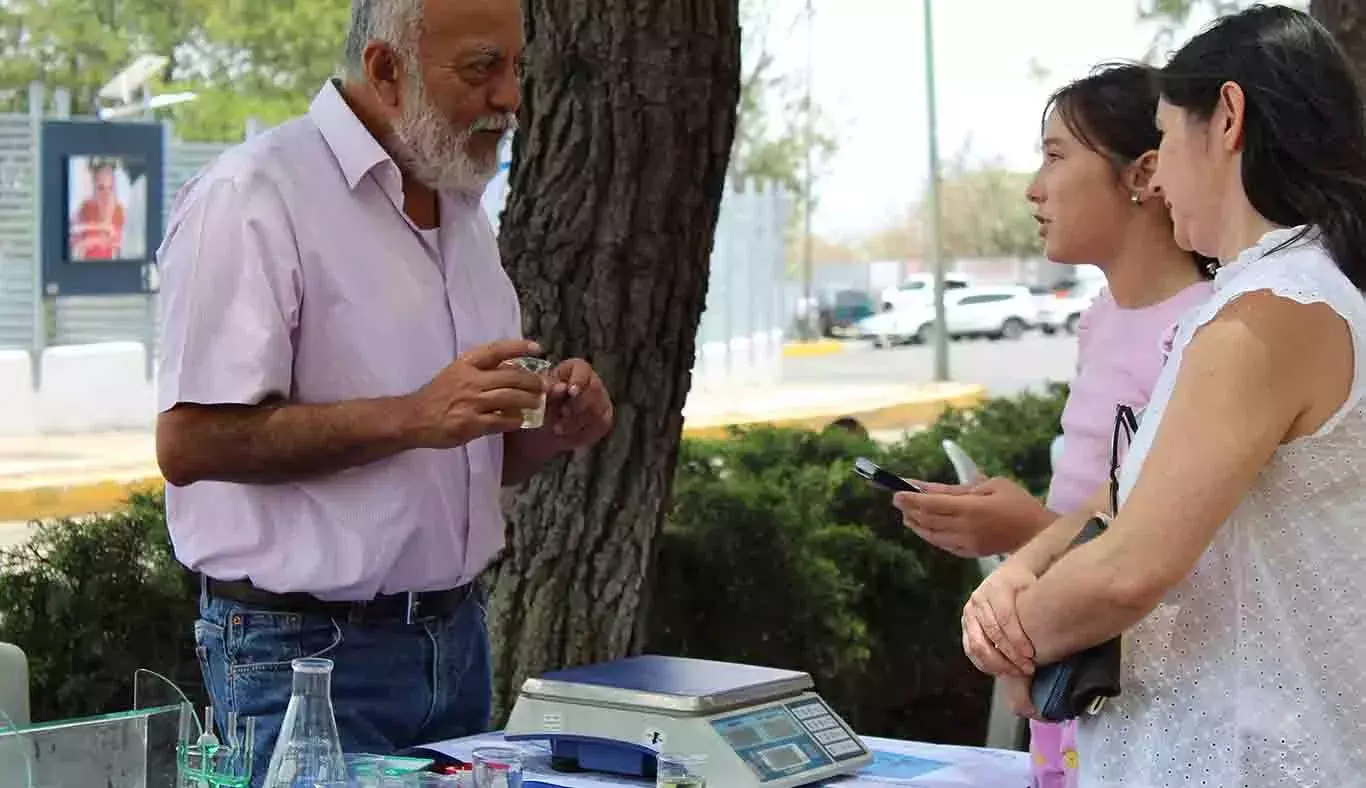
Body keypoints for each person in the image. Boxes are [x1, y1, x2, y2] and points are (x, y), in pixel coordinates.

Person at [155, 0, 613, 780]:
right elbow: (191, 442)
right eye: (482, 69)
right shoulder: (256, 195)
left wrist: (548, 430)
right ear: (385, 69)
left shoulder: (462, 211)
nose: (511, 98)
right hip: (304, 659)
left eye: (516, 69)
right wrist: (414, 415)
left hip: (456, 641)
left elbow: (466, 460)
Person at [961, 6, 1366, 787]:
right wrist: (1026, 571)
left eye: (1166, 137)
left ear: (1227, 119)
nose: (1160, 173)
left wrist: (1007, 636)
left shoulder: (1273, 312)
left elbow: (1129, 568)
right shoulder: (1291, 292)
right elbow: (1129, 497)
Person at [895, 63, 1213, 786]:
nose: (1034, 188)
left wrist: (1023, 534)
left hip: (1148, 689)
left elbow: (1169, 550)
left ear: (1144, 173)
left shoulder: (1206, 330)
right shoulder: (1102, 315)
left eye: (1057, 155)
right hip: (1069, 667)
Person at [70, 160, 126, 260]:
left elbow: (118, 244)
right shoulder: (84, 209)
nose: (106, 195)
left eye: (110, 188)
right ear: (94, 189)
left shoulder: (119, 212)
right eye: (101, 188)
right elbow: (75, 246)